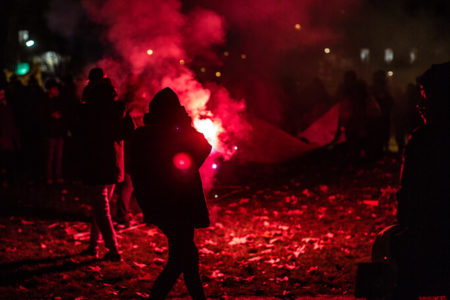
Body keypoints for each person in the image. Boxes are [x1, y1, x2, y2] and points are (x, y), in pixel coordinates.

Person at [131, 88, 211, 299]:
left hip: (160, 207)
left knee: (184, 258)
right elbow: (203, 147)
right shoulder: (176, 136)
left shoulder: (143, 135)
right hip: (178, 206)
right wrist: (186, 125)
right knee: (182, 259)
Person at [385, 63, 450, 298]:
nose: (420, 105)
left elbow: (409, 197)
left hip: (433, 239)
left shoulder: (425, 140)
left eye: (425, 97)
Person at [80, 68, 124, 261]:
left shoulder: (87, 106)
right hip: (113, 162)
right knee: (100, 206)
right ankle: (93, 245)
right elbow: (128, 132)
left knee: (100, 206)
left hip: (94, 161)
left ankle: (113, 249)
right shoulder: (117, 106)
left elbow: (78, 132)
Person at [43, 79, 67, 184]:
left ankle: (58, 176)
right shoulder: (45, 101)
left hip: (58, 132)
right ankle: (49, 176)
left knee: (59, 156)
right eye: (55, 88)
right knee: (50, 156)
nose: (57, 90)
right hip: (50, 132)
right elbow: (44, 115)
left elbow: (63, 113)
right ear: (50, 90)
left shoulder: (59, 101)